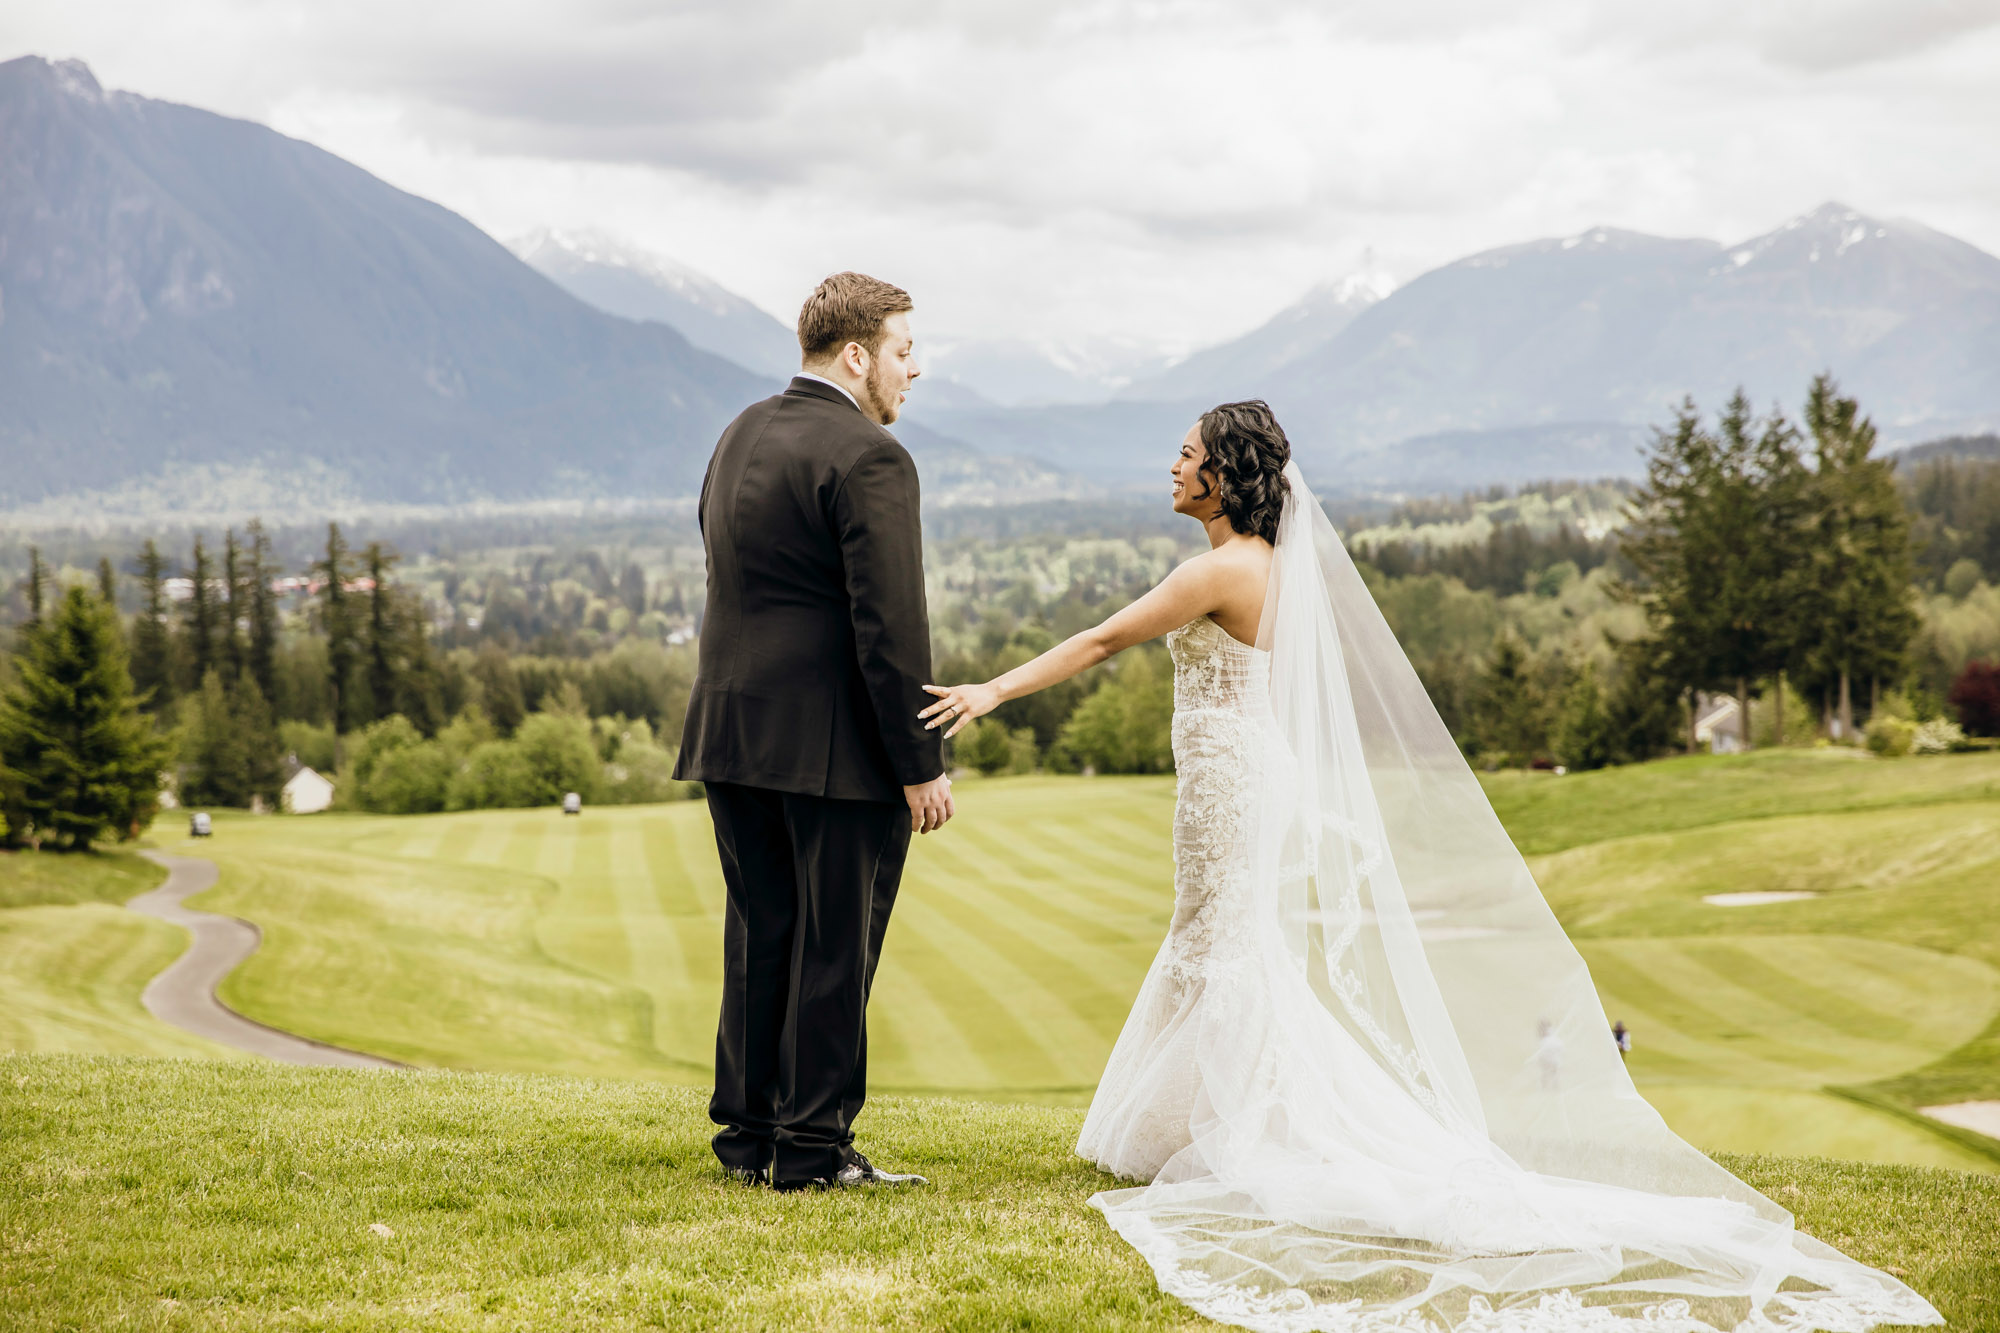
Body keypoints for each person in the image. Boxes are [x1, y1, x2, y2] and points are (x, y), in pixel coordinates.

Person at [919, 401, 1939, 1332]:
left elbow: (1102, 640)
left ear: (1222, 479)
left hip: (1228, 779)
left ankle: (1227, 1137)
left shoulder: (1217, 570)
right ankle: (1187, 1129)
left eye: (1184, 455)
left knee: (1221, 946)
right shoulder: (1274, 570)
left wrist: (991, 691)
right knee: (1217, 941)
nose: (1170, 466)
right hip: (1238, 771)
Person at [675, 272, 953, 1193]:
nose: (916, 370)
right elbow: (890, 629)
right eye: (906, 351)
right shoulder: (871, 457)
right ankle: (811, 1151)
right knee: (835, 945)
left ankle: (750, 1135)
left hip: (730, 728)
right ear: (858, 354)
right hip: (832, 748)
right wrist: (919, 762)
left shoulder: (739, 431)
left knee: (761, 932)